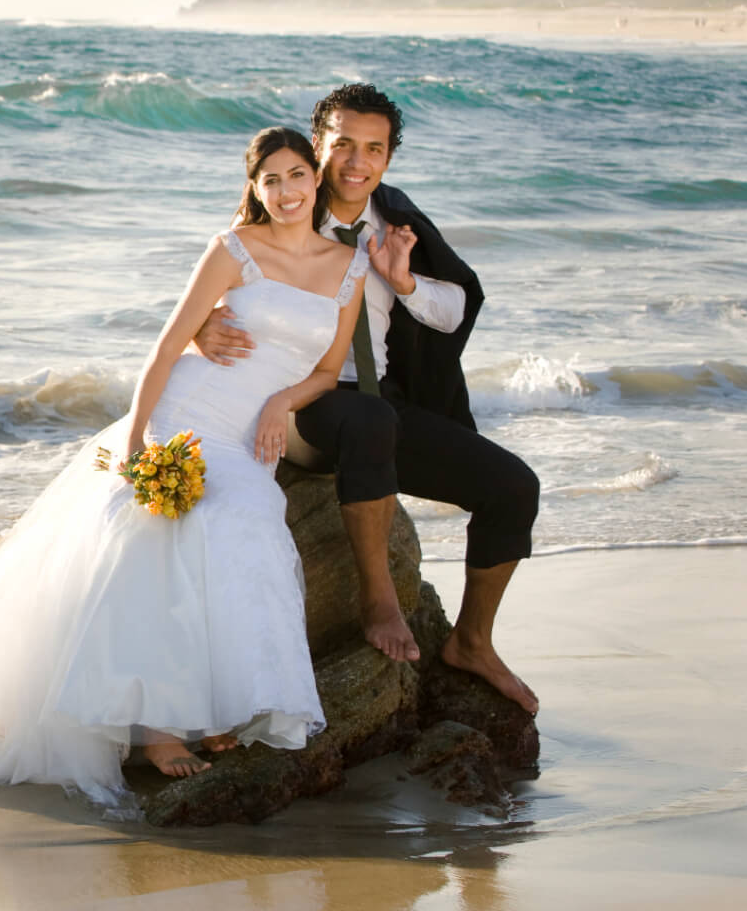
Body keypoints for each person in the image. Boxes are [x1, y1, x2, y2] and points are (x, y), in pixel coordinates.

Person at [0, 128, 368, 812]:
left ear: (317, 178)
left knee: (249, 526)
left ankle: (215, 712)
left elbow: (324, 370)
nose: (287, 192)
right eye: (271, 180)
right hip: (185, 415)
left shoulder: (347, 267)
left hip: (247, 431)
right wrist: (138, 438)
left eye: (297, 176)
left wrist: (282, 401)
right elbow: (168, 345)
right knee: (161, 534)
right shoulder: (234, 250)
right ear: (254, 189)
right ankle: (156, 730)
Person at [194, 84, 540, 714]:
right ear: (317, 147)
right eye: (343, 145)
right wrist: (201, 326)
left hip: (379, 406)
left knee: (514, 487)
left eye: (374, 149)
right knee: (366, 418)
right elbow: (215, 281)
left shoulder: (396, 218)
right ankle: (379, 599)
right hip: (300, 409)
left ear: (388, 158)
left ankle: (472, 642)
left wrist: (402, 280)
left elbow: (456, 307)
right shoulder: (287, 205)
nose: (357, 162)